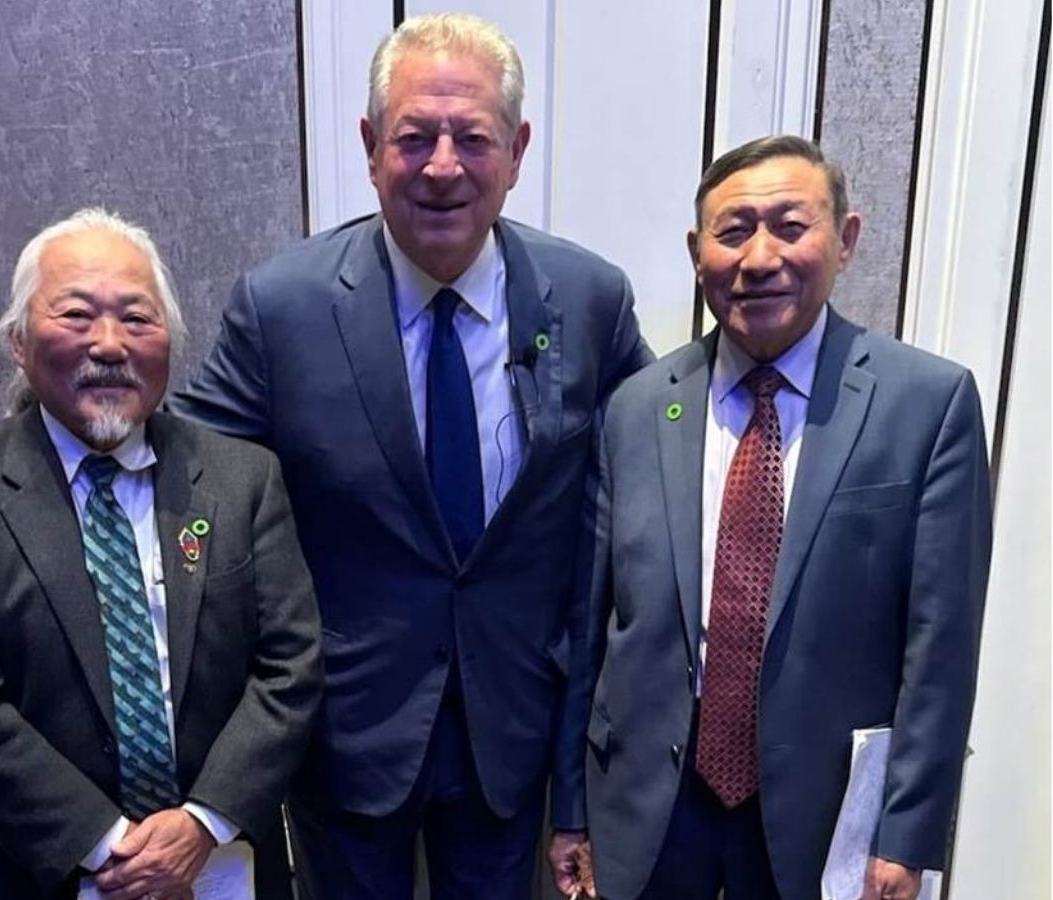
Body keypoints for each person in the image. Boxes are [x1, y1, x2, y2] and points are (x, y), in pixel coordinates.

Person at [169, 13, 651, 899]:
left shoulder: (587, 297)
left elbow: (661, 454)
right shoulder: (283, 306)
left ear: (517, 150)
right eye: (414, 137)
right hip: (347, 726)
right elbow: (177, 464)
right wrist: (9, 523)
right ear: (368, 144)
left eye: (472, 138)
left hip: (512, 721)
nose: (441, 166)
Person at [577, 135, 992, 900]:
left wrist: (908, 838)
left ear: (846, 239)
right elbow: (592, 624)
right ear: (697, 252)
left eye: (791, 227)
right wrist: (572, 810)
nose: (759, 257)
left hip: (825, 820)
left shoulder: (928, 407)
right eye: (733, 232)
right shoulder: (637, 409)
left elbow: (941, 652)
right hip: (651, 810)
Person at [0, 208, 323, 899]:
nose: (110, 344)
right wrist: (109, 845)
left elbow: (292, 669)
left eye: (137, 318)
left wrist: (199, 825)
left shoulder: (245, 480)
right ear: (18, 340)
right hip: (36, 870)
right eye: (75, 315)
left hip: (219, 866)